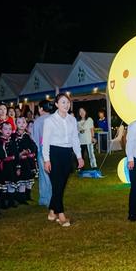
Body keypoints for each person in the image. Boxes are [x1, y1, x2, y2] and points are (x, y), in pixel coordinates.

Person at [42, 93, 84, 227]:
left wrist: (79, 156)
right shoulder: (49, 120)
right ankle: (61, 215)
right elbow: (45, 142)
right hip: (54, 154)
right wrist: (46, 160)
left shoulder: (72, 120)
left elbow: (75, 139)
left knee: (61, 185)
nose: (66, 105)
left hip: (67, 154)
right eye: (63, 102)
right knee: (57, 185)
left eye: (68, 102)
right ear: (56, 104)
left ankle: (52, 210)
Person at [32, 100, 54, 206]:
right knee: (53, 174)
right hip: (54, 148)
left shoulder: (38, 121)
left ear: (41, 108)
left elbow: (35, 138)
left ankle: (46, 199)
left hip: (42, 148)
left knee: (44, 174)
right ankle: (51, 198)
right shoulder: (54, 118)